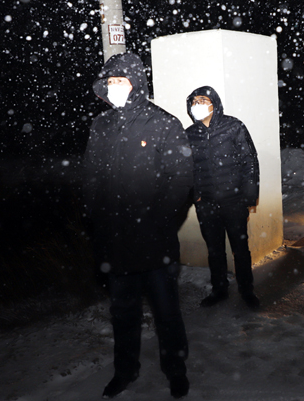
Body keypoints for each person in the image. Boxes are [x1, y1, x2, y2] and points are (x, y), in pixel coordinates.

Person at [83, 52, 193, 399]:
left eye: (121, 80)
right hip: (115, 243)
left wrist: (156, 221)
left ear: (137, 83)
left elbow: (181, 179)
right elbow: (91, 178)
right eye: (110, 81)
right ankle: (125, 371)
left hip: (154, 242)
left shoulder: (163, 123)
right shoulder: (101, 125)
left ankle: (175, 370)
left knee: (166, 313)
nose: (114, 87)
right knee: (123, 313)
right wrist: (96, 220)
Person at [185, 86, 261, 309]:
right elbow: (186, 168)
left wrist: (248, 196)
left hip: (233, 201)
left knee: (240, 248)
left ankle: (247, 290)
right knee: (214, 250)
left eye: (202, 100)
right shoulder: (190, 133)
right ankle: (219, 290)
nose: (197, 105)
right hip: (206, 203)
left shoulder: (233, 127)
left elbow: (249, 161)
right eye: (194, 101)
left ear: (214, 103)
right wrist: (196, 196)